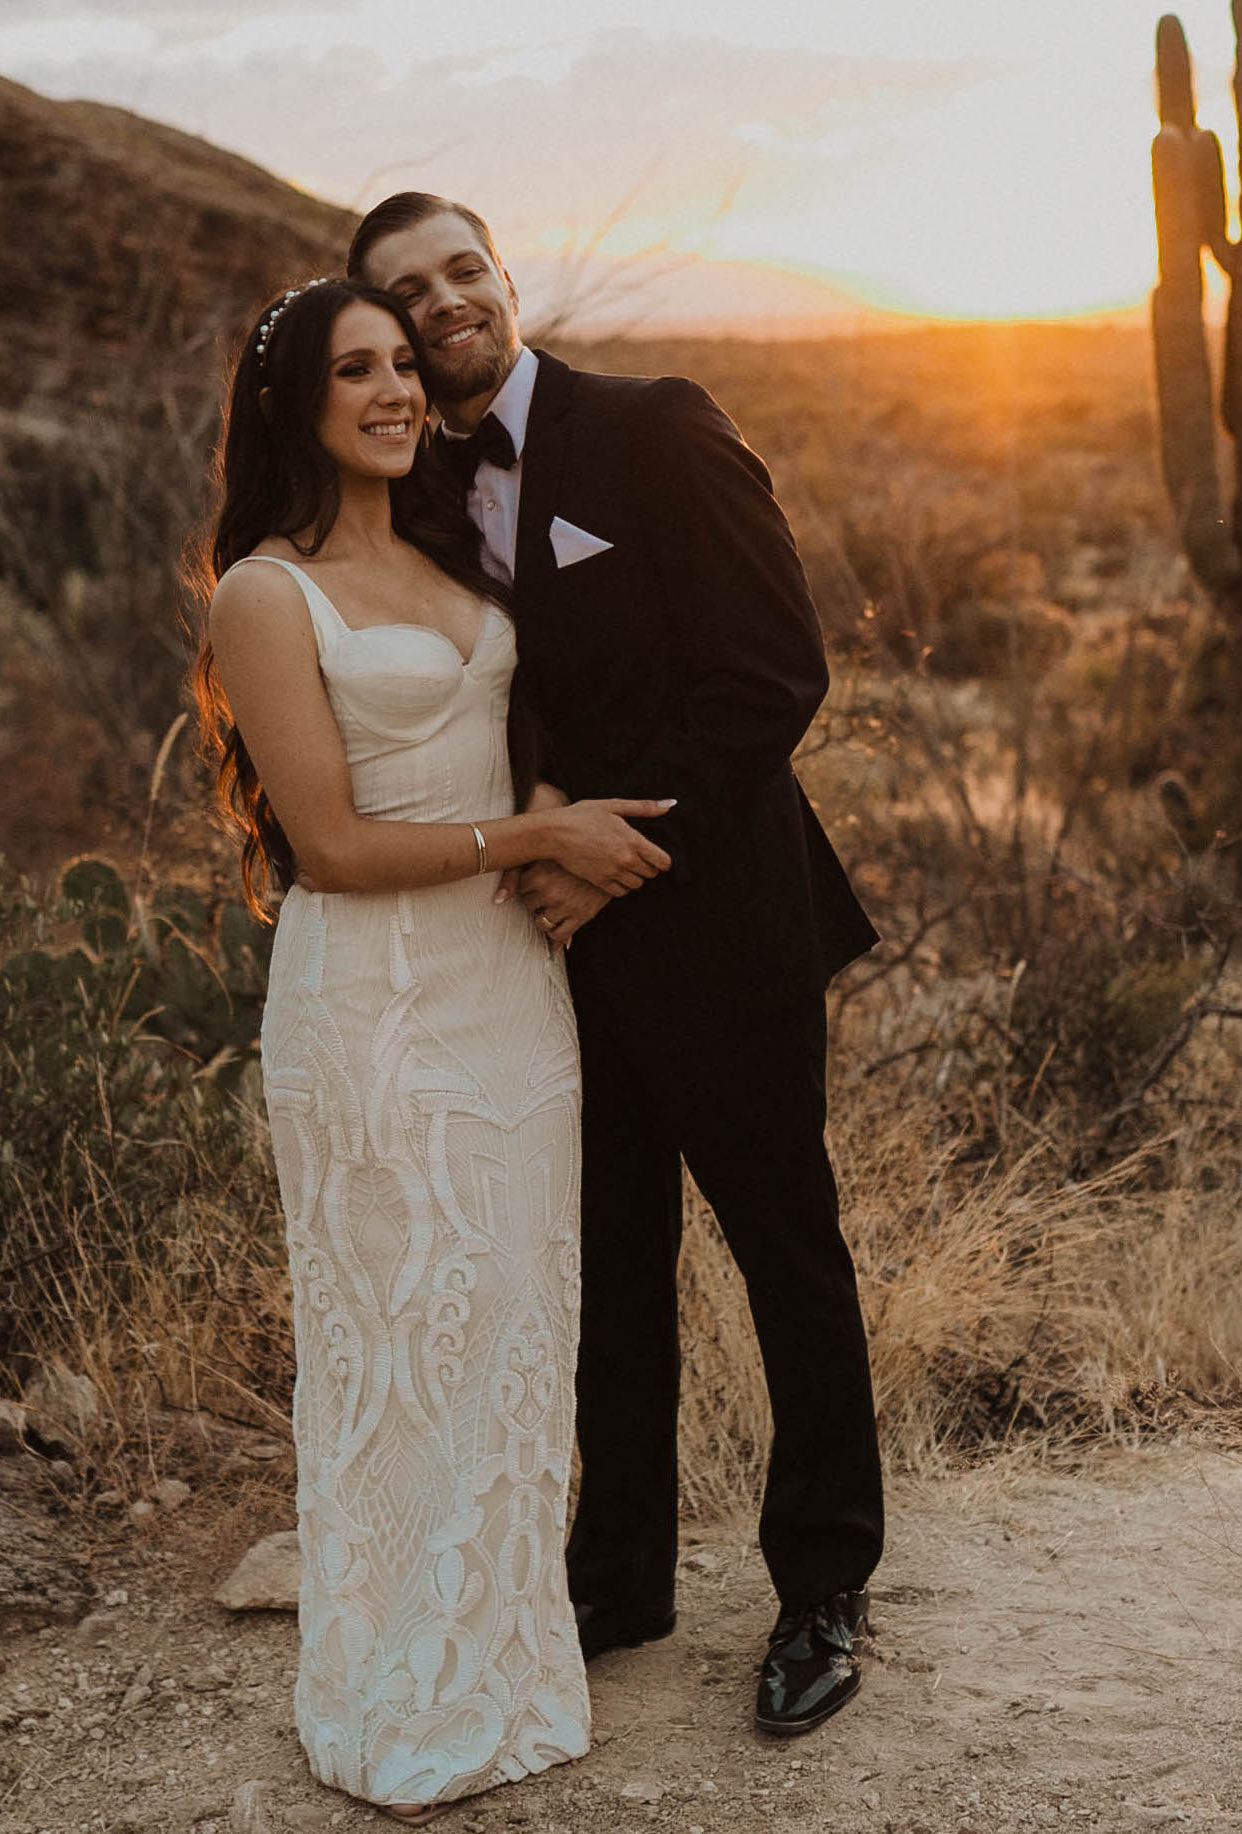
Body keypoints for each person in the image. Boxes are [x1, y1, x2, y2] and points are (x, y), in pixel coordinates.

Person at [347, 194, 886, 1738]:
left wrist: (606, 855)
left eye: (462, 268)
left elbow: (778, 669)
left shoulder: (653, 426)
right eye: (407, 293)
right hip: (549, 950)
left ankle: (824, 1585)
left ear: (503, 277)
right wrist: (535, 842)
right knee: (605, 1264)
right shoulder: (422, 499)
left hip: (720, 922)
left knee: (788, 1249)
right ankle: (618, 1572)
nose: (445, 302)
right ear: (384, 333)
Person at [192, 277, 678, 1819]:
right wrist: (536, 833)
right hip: (375, 1009)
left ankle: (505, 1672)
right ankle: (390, 1692)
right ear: (297, 405)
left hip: (509, 993)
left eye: (405, 363)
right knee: (397, 1337)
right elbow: (326, 843)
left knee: (515, 1330)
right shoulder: (264, 594)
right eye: (358, 369)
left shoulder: (459, 549)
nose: (396, 390)